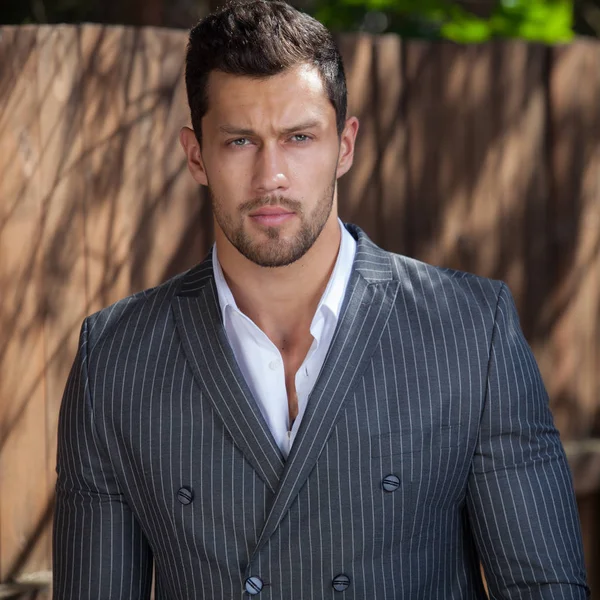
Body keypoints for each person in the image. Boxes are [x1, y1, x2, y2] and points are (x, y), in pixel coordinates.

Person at [52, 1, 590, 598]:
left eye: (299, 137)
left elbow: (544, 589)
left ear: (345, 146)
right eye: (239, 141)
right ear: (196, 154)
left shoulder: (469, 331)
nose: (271, 176)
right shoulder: (117, 357)